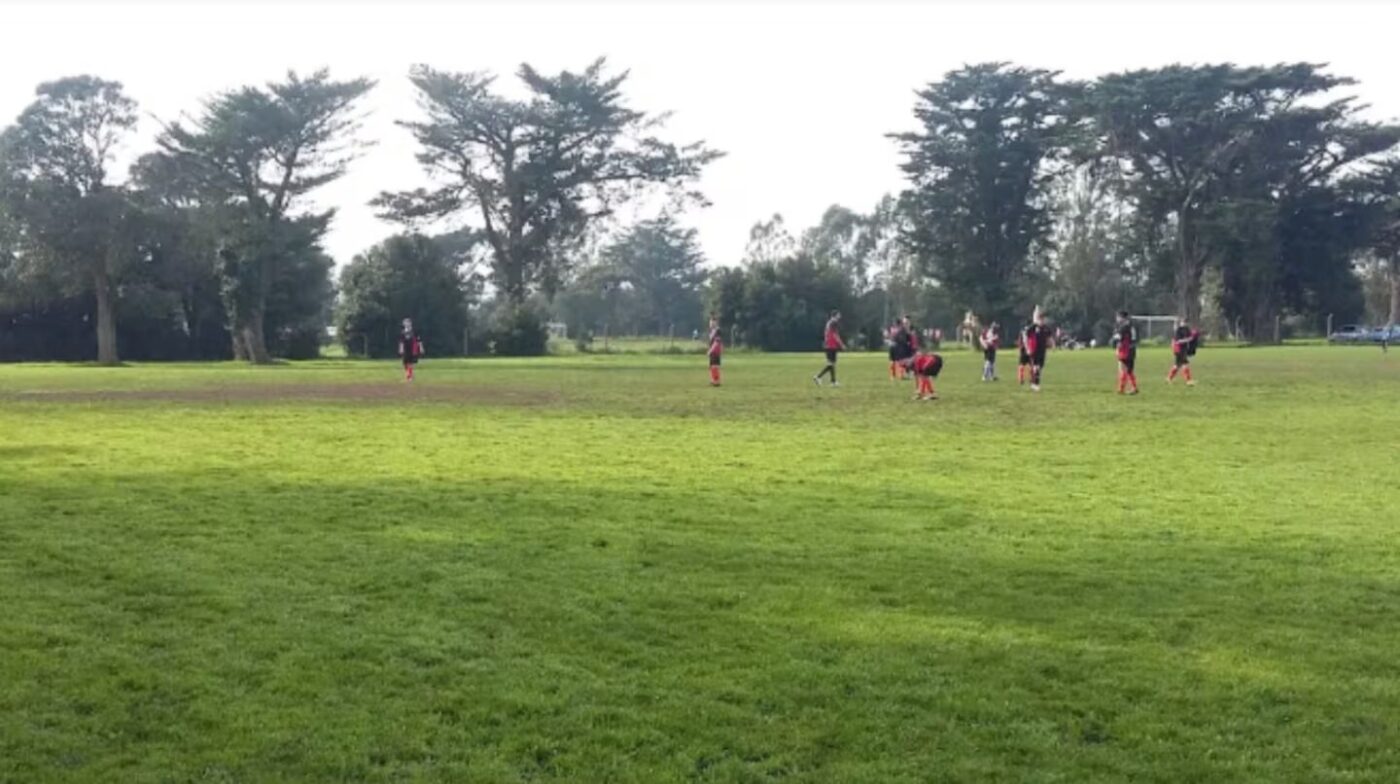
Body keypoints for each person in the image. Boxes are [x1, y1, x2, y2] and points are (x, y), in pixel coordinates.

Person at [814, 310, 846, 386]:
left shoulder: (829, 323)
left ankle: (833, 381)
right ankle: (818, 377)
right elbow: (835, 335)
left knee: (832, 364)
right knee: (831, 364)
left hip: (828, 345)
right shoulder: (834, 323)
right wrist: (841, 344)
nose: (840, 316)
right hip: (832, 345)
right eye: (839, 314)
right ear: (835, 315)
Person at [1025, 307, 1053, 392]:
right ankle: (1036, 384)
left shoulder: (1046, 328)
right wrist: (1027, 348)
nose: (1042, 321)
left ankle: (1032, 380)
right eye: (1040, 319)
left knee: (1039, 367)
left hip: (1042, 350)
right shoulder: (1033, 327)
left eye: (1043, 319)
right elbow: (1026, 336)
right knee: (1036, 367)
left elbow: (1049, 337)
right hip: (1034, 350)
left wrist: (1051, 344)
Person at [1167, 318, 1200, 385]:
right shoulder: (1178, 330)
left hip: (1183, 349)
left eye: (1186, 322)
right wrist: (1188, 339)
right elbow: (1178, 341)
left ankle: (1169, 378)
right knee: (1184, 364)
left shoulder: (1187, 329)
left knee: (1177, 365)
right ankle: (1188, 381)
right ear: (1181, 322)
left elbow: (1191, 336)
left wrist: (1194, 335)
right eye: (1183, 322)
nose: (1185, 323)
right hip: (1178, 349)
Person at [1114, 310, 1140, 395]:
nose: (1117, 319)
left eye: (1118, 317)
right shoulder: (1132, 326)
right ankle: (1134, 387)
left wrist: (1117, 349)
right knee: (1129, 370)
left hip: (1125, 351)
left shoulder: (1123, 327)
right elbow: (1135, 339)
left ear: (1122, 318)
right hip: (1132, 350)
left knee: (1122, 369)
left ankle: (1121, 389)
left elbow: (1119, 340)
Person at [398, 317, 423, 382]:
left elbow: (419, 340)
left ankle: (409, 377)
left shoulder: (414, 331)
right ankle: (410, 375)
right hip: (406, 349)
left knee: (410, 363)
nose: (406, 324)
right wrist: (401, 348)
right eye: (405, 323)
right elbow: (401, 342)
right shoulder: (403, 332)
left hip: (413, 349)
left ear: (410, 323)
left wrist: (421, 347)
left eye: (408, 322)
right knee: (405, 364)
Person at [707, 315, 723, 387]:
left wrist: (711, 350)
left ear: (716, 323)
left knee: (714, 366)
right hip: (713, 350)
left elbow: (717, 342)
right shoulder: (711, 331)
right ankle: (713, 380)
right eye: (710, 322)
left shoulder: (717, 330)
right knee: (711, 366)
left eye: (713, 322)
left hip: (715, 351)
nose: (711, 324)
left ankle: (717, 382)